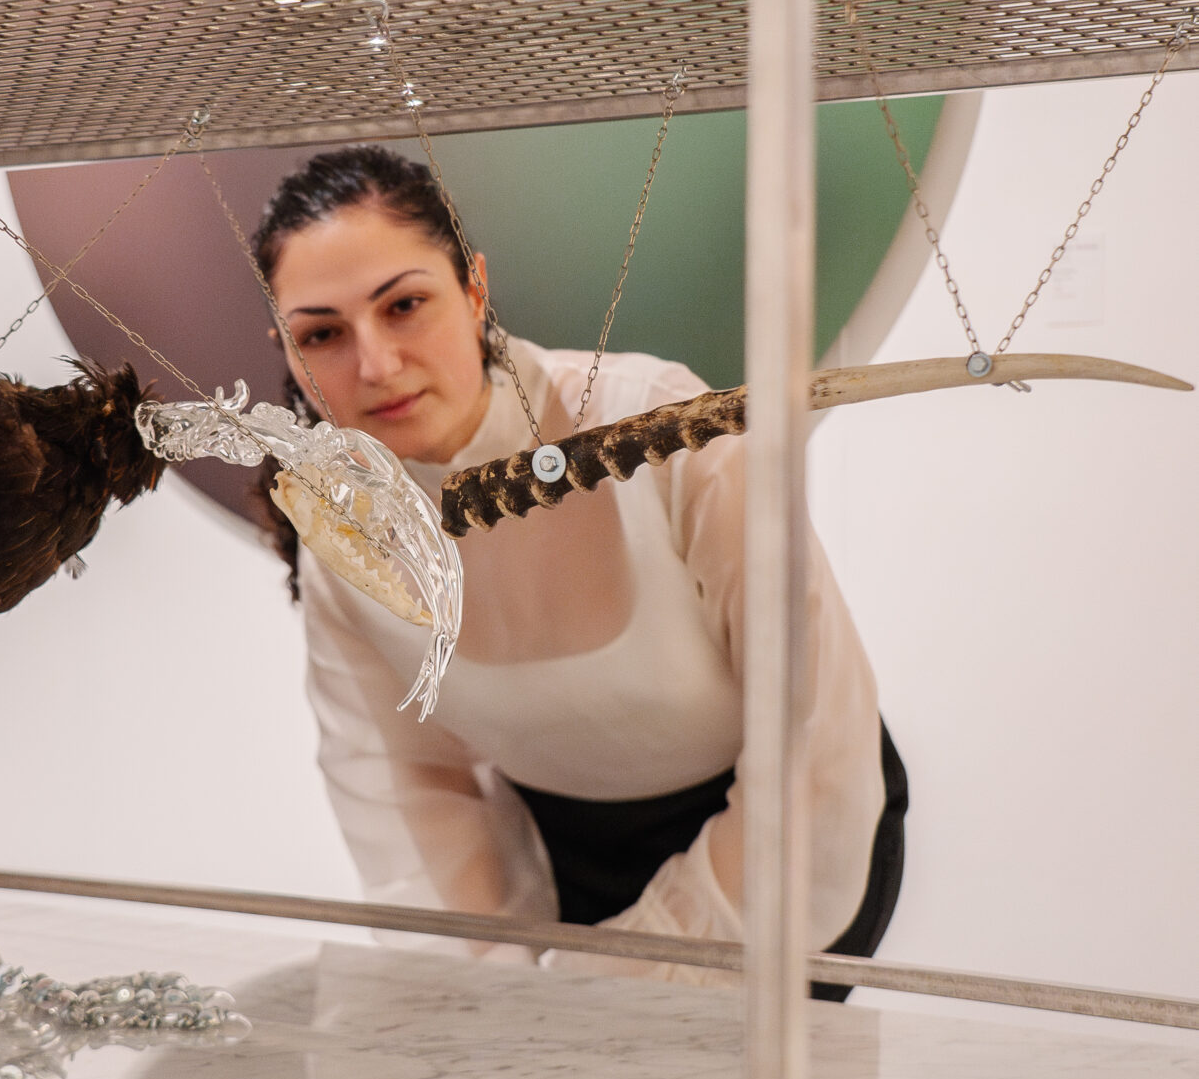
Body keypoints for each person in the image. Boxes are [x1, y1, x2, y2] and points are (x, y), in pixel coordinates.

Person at [253, 144, 905, 989]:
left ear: (474, 288)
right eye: (322, 335)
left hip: (792, 829)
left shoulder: (659, 427)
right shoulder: (338, 531)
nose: (375, 365)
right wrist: (487, 980)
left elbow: (817, 738)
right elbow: (402, 784)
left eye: (404, 305)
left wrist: (625, 971)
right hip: (560, 858)